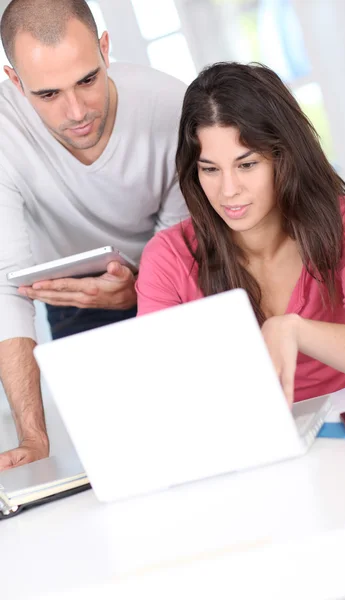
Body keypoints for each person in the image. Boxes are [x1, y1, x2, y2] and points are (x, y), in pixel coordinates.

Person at [136, 61, 345, 405]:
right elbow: (159, 387)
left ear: (283, 158)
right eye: (210, 169)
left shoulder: (344, 220)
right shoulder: (169, 257)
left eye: (247, 164)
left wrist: (294, 329)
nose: (228, 190)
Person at [0, 0, 188, 471]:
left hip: (174, 282)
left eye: (87, 79)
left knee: (196, 436)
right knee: (122, 461)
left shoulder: (171, 108)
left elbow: (186, 251)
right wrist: (33, 440)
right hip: (72, 294)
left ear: (105, 49)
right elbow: (6, 287)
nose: (77, 111)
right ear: (15, 81)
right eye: (47, 94)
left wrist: (140, 288)